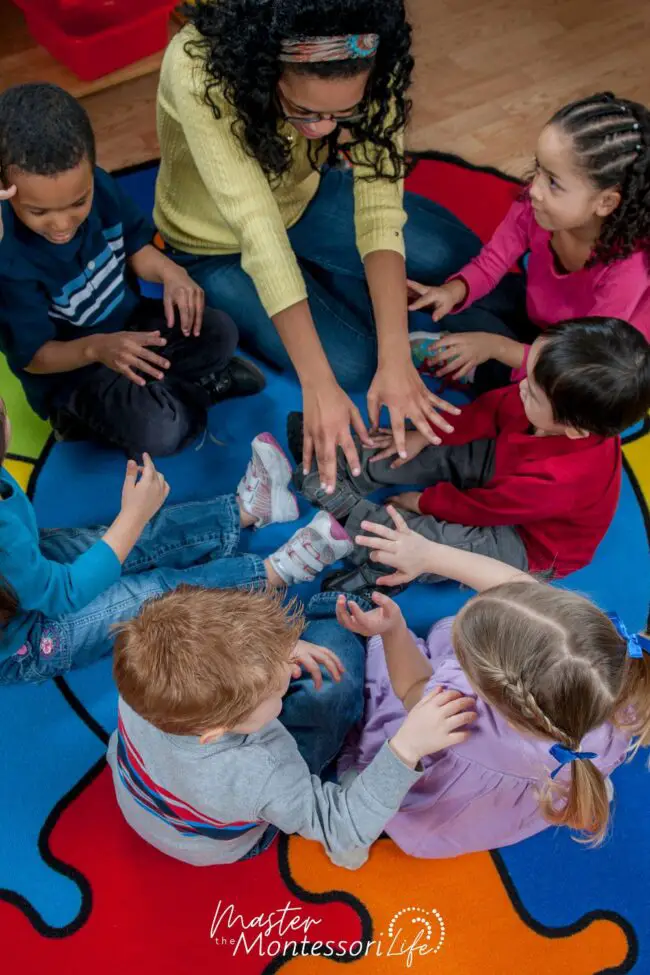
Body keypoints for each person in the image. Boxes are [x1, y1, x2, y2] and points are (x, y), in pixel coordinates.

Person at [155, 0, 496, 492]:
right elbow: (258, 232)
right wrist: (318, 387)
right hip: (214, 243)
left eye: (343, 113)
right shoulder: (196, 65)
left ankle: (335, 285)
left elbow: (379, 205)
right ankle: (329, 288)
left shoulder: (371, 50)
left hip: (304, 200)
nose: (320, 129)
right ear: (264, 65)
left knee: (454, 256)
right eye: (303, 111)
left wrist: (398, 355)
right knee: (352, 367)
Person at [107, 583, 476, 867]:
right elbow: (343, 830)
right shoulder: (263, 769)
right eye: (275, 689)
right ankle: (333, 606)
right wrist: (406, 748)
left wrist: (276, 652)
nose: (288, 669)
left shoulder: (145, 682)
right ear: (219, 730)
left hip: (150, 796)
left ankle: (318, 621)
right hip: (228, 839)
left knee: (325, 655)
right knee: (335, 682)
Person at [288, 318, 650, 593]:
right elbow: (486, 412)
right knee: (438, 450)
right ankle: (338, 464)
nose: (521, 384)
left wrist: (426, 502)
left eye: (534, 392)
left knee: (444, 543)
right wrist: (423, 436)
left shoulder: (563, 480)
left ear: (573, 428)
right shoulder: (543, 398)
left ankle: (363, 540)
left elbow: (485, 509)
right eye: (530, 371)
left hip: (529, 543)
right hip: (508, 468)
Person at [334, 541, 650, 856]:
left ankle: (361, 815)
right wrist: (429, 555)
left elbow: (412, 685)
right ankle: (584, 786)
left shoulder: (462, 710)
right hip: (538, 787)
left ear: (500, 697)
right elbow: (521, 590)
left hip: (436, 819)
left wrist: (393, 631)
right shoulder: (621, 686)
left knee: (383, 704)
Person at [0, 83, 264, 458]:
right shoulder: (7, 257)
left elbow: (137, 248)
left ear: (91, 172)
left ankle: (161, 393)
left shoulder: (103, 187)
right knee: (164, 432)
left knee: (219, 330)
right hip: (76, 369)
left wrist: (172, 274)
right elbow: (35, 357)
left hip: (130, 326)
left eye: (78, 202)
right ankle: (85, 417)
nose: (62, 224)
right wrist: (97, 347)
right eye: (38, 212)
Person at [0, 409, 356, 684]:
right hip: (30, 638)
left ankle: (250, 510)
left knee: (132, 540)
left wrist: (132, 523)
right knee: (153, 597)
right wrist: (133, 517)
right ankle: (274, 574)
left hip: (25, 570)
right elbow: (65, 591)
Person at [408, 91, 650, 391]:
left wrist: (495, 347)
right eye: (538, 167)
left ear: (605, 203)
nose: (534, 188)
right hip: (543, 320)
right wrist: (452, 291)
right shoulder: (536, 208)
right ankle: (485, 356)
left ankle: (486, 372)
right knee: (457, 304)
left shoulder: (626, 272)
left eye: (553, 182)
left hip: (592, 357)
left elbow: (582, 360)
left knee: (548, 395)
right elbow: (491, 262)